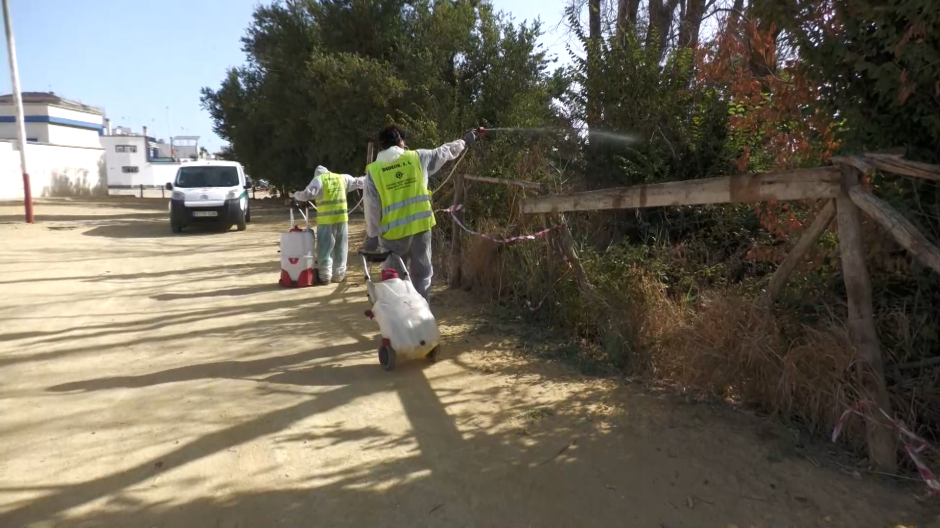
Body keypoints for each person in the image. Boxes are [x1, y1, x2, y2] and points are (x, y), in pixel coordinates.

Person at [364, 124, 477, 303]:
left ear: (382, 146)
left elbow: (372, 206)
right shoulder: (418, 157)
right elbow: (444, 152)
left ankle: (399, 322)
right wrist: (464, 141)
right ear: (401, 142)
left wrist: (372, 234)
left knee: (394, 280)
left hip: (393, 236)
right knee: (421, 276)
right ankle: (421, 316)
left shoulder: (374, 171)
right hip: (420, 230)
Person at [293, 166, 365, 283]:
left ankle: (325, 277)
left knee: (325, 249)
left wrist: (296, 195)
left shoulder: (318, 180)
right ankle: (339, 275)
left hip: (326, 222)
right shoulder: (342, 178)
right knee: (341, 247)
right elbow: (360, 181)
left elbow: (306, 195)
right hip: (342, 220)